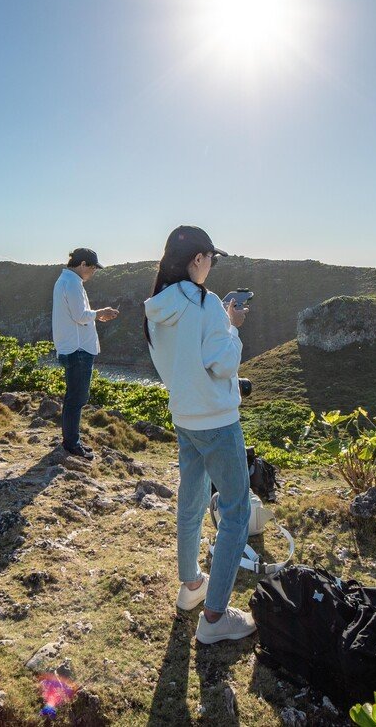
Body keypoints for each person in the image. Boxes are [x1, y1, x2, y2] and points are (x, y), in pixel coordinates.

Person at [142, 225, 255, 645]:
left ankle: (191, 587)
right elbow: (223, 364)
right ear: (196, 260)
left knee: (190, 501)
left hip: (184, 416)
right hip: (217, 421)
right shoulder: (206, 304)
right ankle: (215, 617)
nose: (212, 264)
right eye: (212, 258)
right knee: (236, 513)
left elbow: (176, 361)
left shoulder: (155, 306)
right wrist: (233, 325)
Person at [52, 248, 118, 459]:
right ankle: (72, 443)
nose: (93, 272)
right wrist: (101, 313)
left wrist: (96, 316)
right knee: (77, 397)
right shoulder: (71, 283)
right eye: (92, 268)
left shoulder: (66, 281)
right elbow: (80, 316)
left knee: (74, 396)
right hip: (78, 349)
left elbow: (76, 315)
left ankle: (70, 440)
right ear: (82, 264)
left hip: (72, 347)